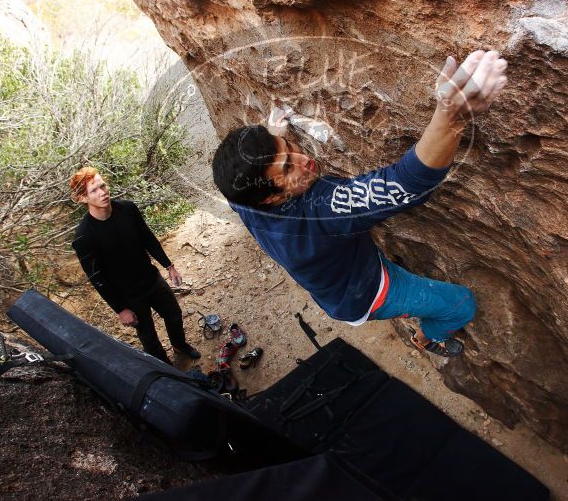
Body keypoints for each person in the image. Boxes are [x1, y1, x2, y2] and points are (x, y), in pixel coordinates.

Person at [211, 50, 507, 357]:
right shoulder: (318, 214)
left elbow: (252, 174)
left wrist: (273, 135)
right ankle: (426, 336)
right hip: (369, 292)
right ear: (272, 196)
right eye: (287, 168)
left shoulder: (245, 200)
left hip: (341, 283)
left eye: (289, 149)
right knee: (461, 305)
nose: (305, 160)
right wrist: (451, 115)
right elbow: (404, 184)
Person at [70, 167, 200, 363]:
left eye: (103, 186)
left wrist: (169, 266)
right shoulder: (84, 236)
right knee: (149, 337)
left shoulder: (127, 209)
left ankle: (180, 346)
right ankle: (167, 370)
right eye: (94, 190)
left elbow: (148, 238)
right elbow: (98, 278)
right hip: (128, 295)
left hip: (151, 279)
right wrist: (120, 309)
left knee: (174, 314)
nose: (103, 192)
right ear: (82, 198)